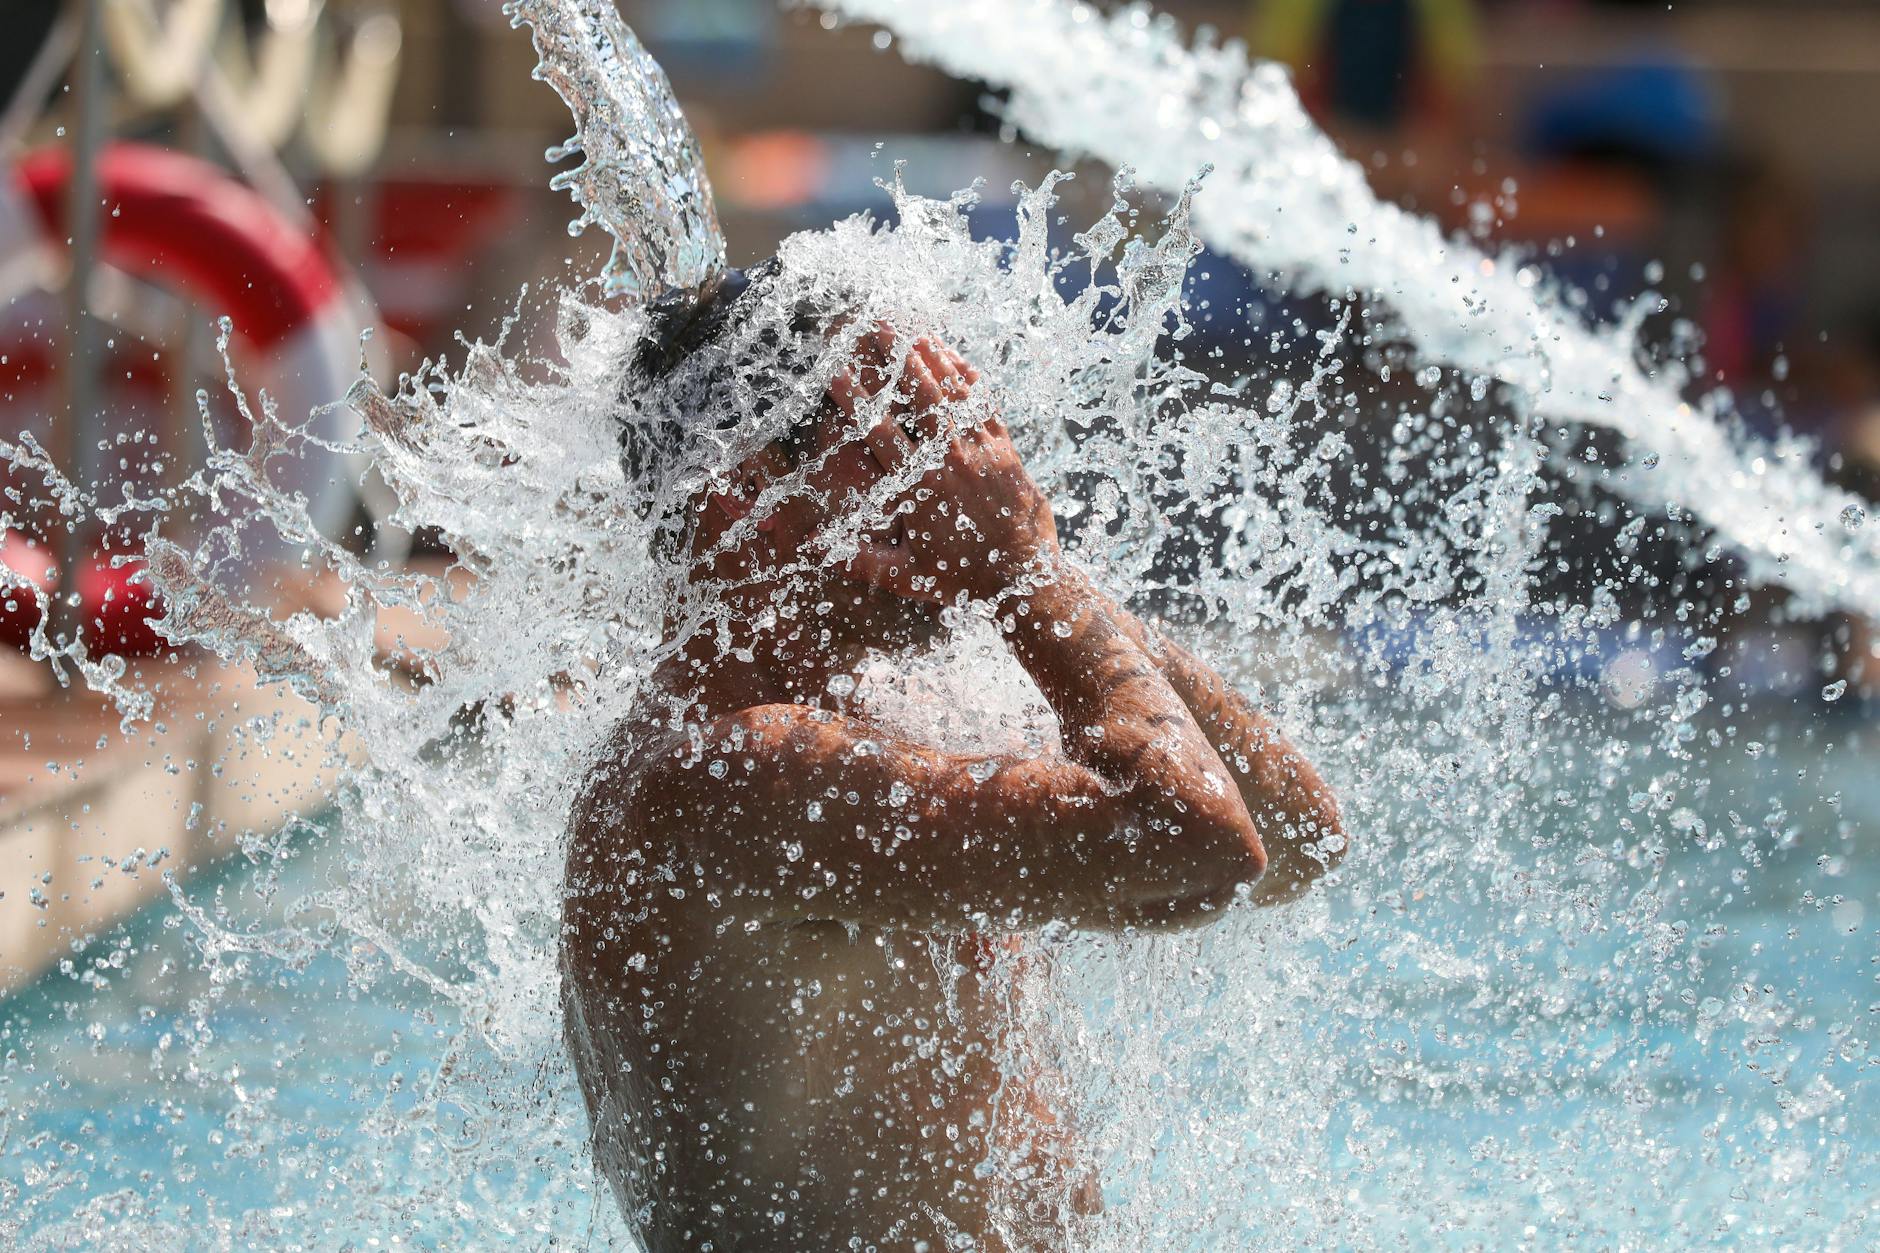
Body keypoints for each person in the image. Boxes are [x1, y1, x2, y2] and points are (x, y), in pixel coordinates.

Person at [562, 267, 1348, 1252]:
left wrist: (1026, 570)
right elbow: (1196, 839)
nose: (958, 466)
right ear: (748, 498)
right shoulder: (720, 774)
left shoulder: (906, 705)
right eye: (904, 441)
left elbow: (1297, 838)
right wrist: (1025, 568)